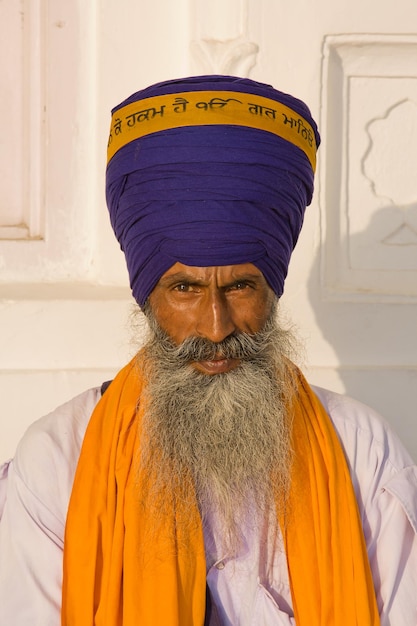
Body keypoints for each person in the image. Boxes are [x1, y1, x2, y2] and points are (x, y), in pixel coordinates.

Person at [0, 75, 416, 626]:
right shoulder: (58, 459)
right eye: (186, 289)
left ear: (272, 291)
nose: (217, 327)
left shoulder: (363, 453)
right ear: (147, 296)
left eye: (241, 286)